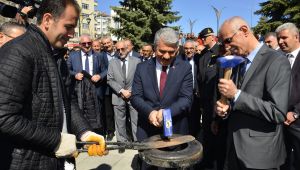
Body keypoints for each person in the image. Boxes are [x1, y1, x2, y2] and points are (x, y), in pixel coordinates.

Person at [0, 1, 106, 169]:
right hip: (27, 163)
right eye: (69, 27)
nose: (72, 34)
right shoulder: (18, 52)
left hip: (57, 161)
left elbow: (67, 101)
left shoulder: (56, 56)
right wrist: (57, 140)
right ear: (48, 20)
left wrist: (84, 132)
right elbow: (4, 118)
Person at [215, 16, 290, 170]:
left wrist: (236, 95)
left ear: (244, 31)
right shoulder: (238, 62)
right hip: (233, 150)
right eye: (223, 43)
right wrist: (227, 109)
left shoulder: (276, 60)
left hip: (259, 155)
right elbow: (239, 104)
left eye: (228, 40)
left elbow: (278, 112)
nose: (226, 47)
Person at [131, 27, 193, 169]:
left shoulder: (185, 68)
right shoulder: (142, 68)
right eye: (162, 51)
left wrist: (166, 113)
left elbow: (187, 98)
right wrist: (150, 112)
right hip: (147, 130)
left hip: (175, 132)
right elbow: (136, 97)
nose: (166, 56)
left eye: (171, 52)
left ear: (177, 49)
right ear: (154, 48)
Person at [67, 34, 107, 134]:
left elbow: (106, 70)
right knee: (81, 115)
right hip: (79, 91)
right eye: (84, 43)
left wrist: (99, 76)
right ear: (80, 44)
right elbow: (66, 69)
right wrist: (75, 74)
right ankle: (84, 135)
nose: (86, 45)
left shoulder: (99, 55)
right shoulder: (73, 56)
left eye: (89, 43)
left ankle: (97, 137)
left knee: (97, 116)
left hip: (95, 90)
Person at [197, 27, 223, 170]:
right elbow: (201, 80)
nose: (202, 40)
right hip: (206, 104)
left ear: (212, 37)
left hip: (217, 103)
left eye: (205, 37)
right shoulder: (203, 55)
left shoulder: (221, 53)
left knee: (216, 138)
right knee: (207, 136)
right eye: (202, 38)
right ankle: (207, 163)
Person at [276, 23, 300, 170]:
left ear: (297, 37)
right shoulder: (278, 58)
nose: (280, 42)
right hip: (279, 120)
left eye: (284, 38)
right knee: (282, 160)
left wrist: (296, 112)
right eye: (278, 38)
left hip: (297, 123)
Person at [107, 40, 140, 144]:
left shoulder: (137, 61)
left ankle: (137, 141)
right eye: (118, 50)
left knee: (135, 120)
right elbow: (110, 79)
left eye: (122, 49)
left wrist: (131, 91)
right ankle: (121, 142)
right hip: (118, 96)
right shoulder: (112, 62)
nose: (120, 51)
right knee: (119, 120)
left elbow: (140, 79)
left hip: (133, 95)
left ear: (128, 49)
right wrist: (121, 91)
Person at [181, 40, 201, 138]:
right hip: (182, 96)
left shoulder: (199, 59)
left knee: (195, 120)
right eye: (186, 48)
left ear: (195, 49)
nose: (188, 51)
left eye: (191, 48)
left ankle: (194, 140)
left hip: (196, 96)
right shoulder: (178, 60)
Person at [100, 36, 117, 141]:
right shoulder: (101, 56)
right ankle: (110, 131)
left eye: (108, 43)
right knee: (108, 112)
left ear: (112, 42)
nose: (106, 45)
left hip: (119, 88)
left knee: (121, 111)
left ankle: (124, 131)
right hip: (106, 88)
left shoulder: (119, 54)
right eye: (104, 44)